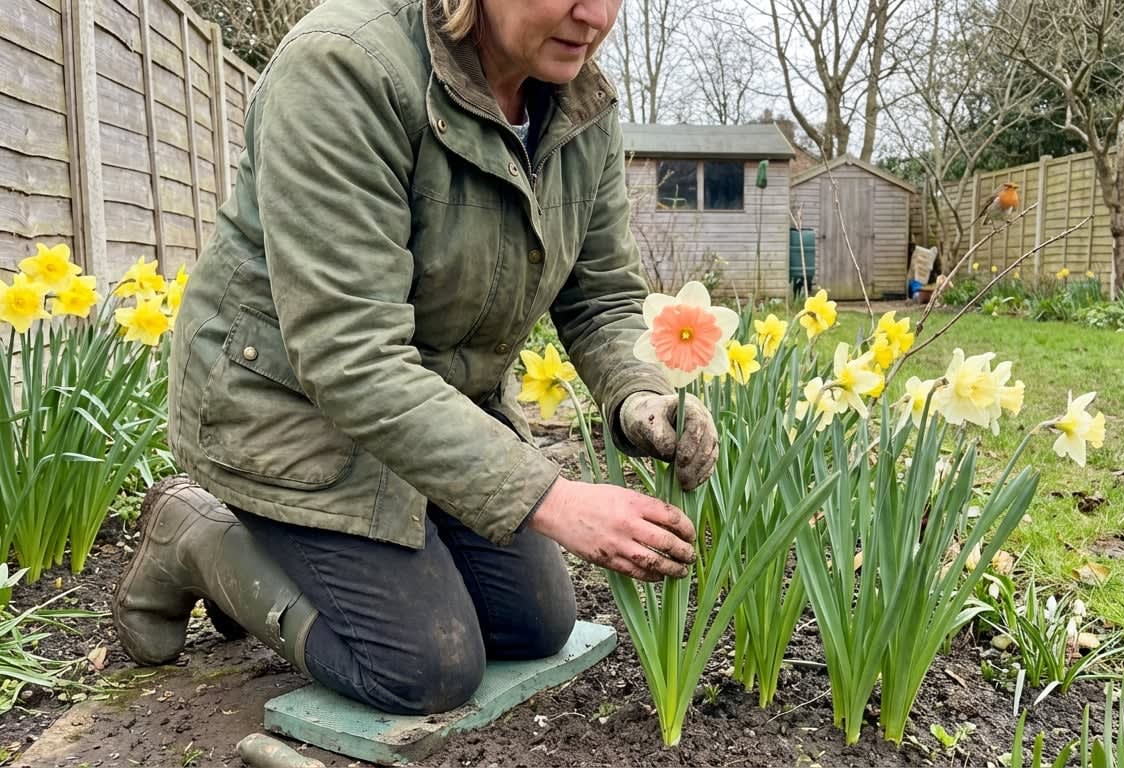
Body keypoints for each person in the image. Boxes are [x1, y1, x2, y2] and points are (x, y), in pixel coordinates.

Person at [113, 0, 719, 716]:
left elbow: (602, 299)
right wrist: (551, 499)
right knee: (425, 666)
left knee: (533, 625)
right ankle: (195, 534)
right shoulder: (344, 68)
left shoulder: (579, 107)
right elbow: (349, 353)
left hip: (430, 412)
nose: (593, 14)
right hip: (285, 412)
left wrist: (639, 396)